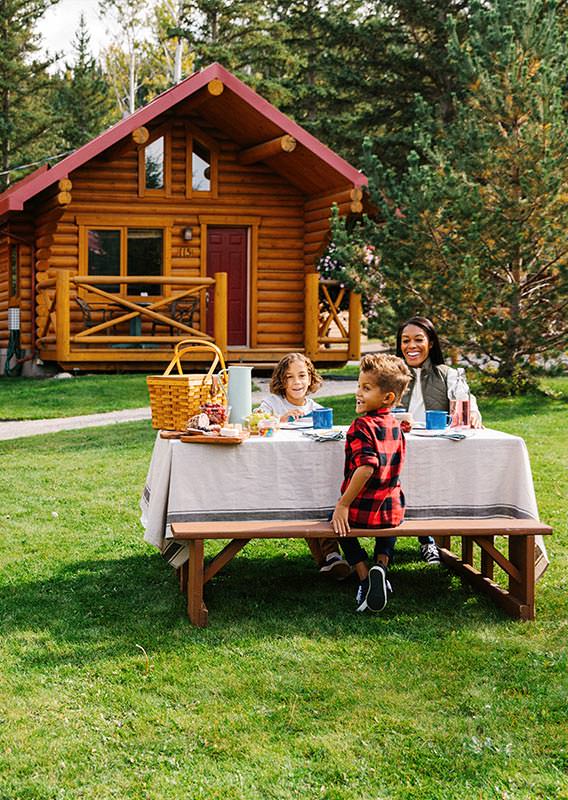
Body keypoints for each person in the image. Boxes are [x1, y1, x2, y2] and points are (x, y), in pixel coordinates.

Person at [396, 315, 482, 565]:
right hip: (398, 443)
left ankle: (428, 542)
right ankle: (388, 547)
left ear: (431, 342)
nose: (411, 346)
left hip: (435, 448)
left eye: (418, 340)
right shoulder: (393, 373)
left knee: (427, 486)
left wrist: (473, 412)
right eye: (405, 340)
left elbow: (466, 399)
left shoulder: (448, 374)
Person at [259, 352, 352, 579]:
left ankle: (330, 559)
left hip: (307, 472)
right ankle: (329, 559)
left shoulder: (316, 409)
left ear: (311, 378)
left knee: (318, 497)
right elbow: (256, 424)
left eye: (302, 375)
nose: (297, 382)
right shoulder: (272, 403)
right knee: (309, 499)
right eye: (290, 377)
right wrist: (279, 420)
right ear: (282, 381)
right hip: (278, 472)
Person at [331, 353, 412, 613]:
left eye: (366, 388)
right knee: (393, 521)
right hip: (391, 511)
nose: (358, 392)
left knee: (336, 522)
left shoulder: (360, 426)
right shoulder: (395, 425)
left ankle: (365, 576)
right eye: (358, 385)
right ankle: (382, 565)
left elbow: (366, 467)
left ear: (388, 397)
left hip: (361, 511)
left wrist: (343, 504)